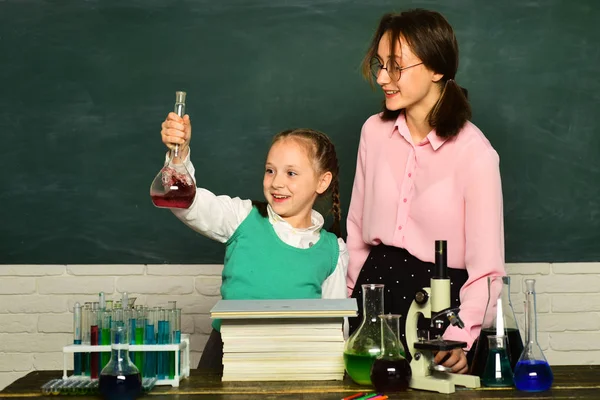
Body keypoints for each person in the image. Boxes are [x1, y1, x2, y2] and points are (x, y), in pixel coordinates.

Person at [346, 9, 505, 374]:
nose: (383, 77)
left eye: (396, 66)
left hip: (439, 305)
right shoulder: (373, 132)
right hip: (372, 298)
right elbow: (356, 234)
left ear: (436, 69)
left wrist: (459, 339)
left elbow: (486, 272)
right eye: (379, 64)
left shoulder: (476, 155)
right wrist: (346, 311)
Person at [160, 114, 348, 369]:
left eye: (291, 173)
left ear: (322, 181)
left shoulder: (332, 250)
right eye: (270, 170)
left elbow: (335, 330)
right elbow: (183, 201)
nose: (277, 182)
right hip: (226, 357)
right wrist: (179, 155)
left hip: (295, 364)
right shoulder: (241, 217)